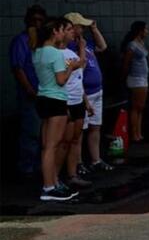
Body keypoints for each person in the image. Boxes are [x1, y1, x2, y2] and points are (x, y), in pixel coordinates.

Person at [34, 18, 84, 201]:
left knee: (47, 145)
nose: (64, 34)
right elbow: (61, 80)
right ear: (55, 31)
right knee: (52, 146)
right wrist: (70, 68)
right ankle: (49, 187)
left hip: (43, 97)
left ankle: (51, 183)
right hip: (56, 99)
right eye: (63, 30)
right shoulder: (55, 54)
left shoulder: (38, 52)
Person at [67, 12, 112, 176]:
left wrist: (94, 29)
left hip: (97, 90)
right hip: (83, 92)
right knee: (79, 131)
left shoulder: (85, 43)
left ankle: (96, 160)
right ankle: (78, 163)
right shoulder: (69, 46)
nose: (83, 29)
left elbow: (103, 46)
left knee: (95, 127)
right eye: (81, 26)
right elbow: (78, 70)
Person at [10, 4, 47, 181]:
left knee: (43, 133)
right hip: (31, 94)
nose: (37, 24)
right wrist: (29, 90)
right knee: (31, 131)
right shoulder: (21, 41)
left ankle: (39, 166)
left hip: (45, 93)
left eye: (41, 20)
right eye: (34, 20)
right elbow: (18, 68)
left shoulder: (42, 42)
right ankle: (26, 168)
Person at [60, 23, 91, 191]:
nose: (73, 32)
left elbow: (81, 68)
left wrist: (82, 48)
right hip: (66, 101)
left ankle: (73, 175)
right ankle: (56, 178)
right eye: (69, 29)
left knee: (75, 140)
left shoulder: (71, 52)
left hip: (77, 99)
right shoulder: (57, 54)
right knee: (63, 142)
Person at [121, 21, 149, 143]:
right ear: (140, 31)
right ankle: (134, 134)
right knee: (136, 107)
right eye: (145, 29)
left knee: (140, 107)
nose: (147, 31)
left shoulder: (141, 43)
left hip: (143, 78)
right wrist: (125, 75)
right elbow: (126, 63)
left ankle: (139, 132)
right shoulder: (132, 45)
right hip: (136, 79)